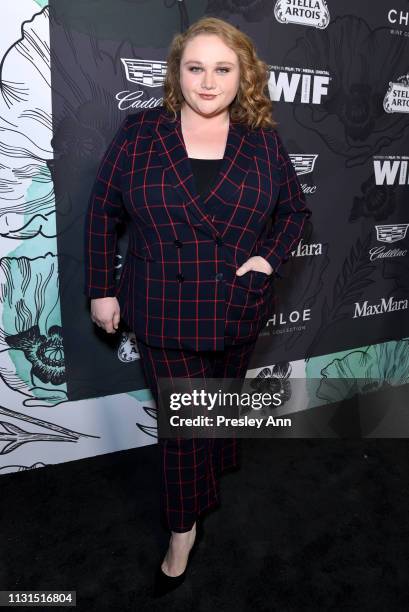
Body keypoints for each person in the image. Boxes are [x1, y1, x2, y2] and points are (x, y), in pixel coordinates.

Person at [83, 16, 311, 597]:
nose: (207, 82)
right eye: (195, 68)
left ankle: (214, 470)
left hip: (237, 303)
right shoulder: (140, 133)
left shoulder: (262, 140)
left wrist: (267, 260)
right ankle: (182, 529)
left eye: (222, 69)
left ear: (244, 76)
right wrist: (100, 288)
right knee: (184, 427)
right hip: (163, 306)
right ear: (177, 73)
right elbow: (102, 213)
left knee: (219, 404)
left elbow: (295, 213)